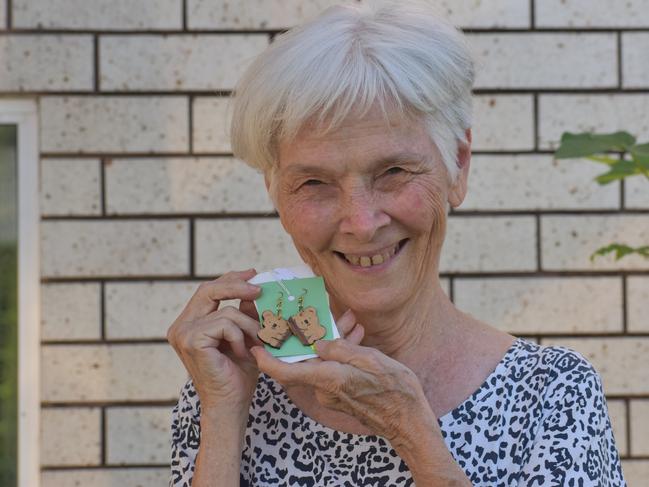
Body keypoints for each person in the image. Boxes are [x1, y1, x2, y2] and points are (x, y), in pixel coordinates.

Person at [166, 2, 626, 485]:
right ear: (274, 192)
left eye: (393, 172)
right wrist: (222, 416)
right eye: (315, 183)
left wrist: (412, 432)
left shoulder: (551, 394)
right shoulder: (228, 388)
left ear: (458, 166)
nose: (362, 223)